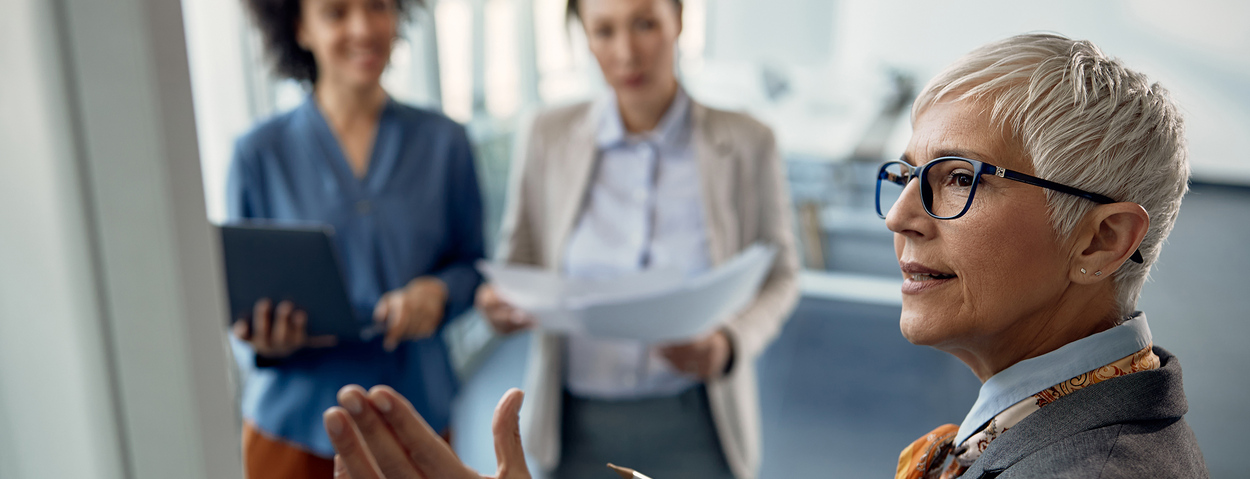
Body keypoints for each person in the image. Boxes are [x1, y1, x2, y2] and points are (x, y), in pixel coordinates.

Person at [318, 33, 1209, 478]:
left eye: (956, 178)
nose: (900, 215)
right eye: (905, 174)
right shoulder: (1038, 413)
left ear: (1099, 239)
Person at [473, 0, 800, 477]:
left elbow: (781, 275)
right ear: (584, 38)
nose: (626, 52)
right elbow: (517, 263)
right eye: (604, 31)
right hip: (574, 425)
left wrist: (729, 342)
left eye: (645, 24)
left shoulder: (749, 141)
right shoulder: (546, 134)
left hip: (698, 420)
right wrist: (498, 306)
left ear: (679, 21)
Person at [227, 0, 484, 477]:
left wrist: (438, 292)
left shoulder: (446, 142)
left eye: (377, 7)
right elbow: (237, 293)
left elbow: (474, 265)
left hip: (415, 420)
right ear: (300, 28)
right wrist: (262, 338)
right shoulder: (258, 155)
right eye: (336, 12)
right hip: (292, 430)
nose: (363, 29)